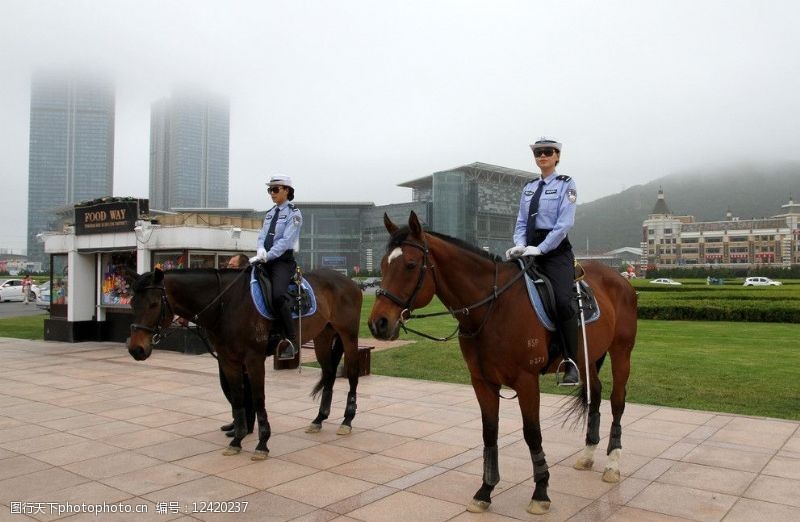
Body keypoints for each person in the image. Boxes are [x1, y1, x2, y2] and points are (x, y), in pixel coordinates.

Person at [506, 137, 580, 386]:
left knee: (561, 300)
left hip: (556, 252)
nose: (542, 156)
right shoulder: (528, 187)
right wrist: (519, 244)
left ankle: (571, 363)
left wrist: (542, 248)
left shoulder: (565, 185)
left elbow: (564, 224)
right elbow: (521, 221)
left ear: (557, 156)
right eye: (538, 152)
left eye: (548, 152)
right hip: (528, 249)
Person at [250, 174, 303, 360]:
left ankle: (292, 339)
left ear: (286, 190)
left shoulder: (294, 214)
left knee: (278, 295)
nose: (271, 193)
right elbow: (261, 236)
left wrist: (268, 256)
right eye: (269, 190)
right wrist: (259, 249)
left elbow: (286, 240)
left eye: (275, 189)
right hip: (265, 258)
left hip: (282, 261)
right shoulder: (270, 213)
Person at [219, 253, 254, 437]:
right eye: (228, 265)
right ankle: (238, 419)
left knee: (244, 386)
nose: (228, 268)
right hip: (226, 345)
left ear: (241, 269)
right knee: (227, 384)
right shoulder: (225, 289)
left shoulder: (245, 290)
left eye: (232, 266)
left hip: (240, 346)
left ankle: (247, 423)